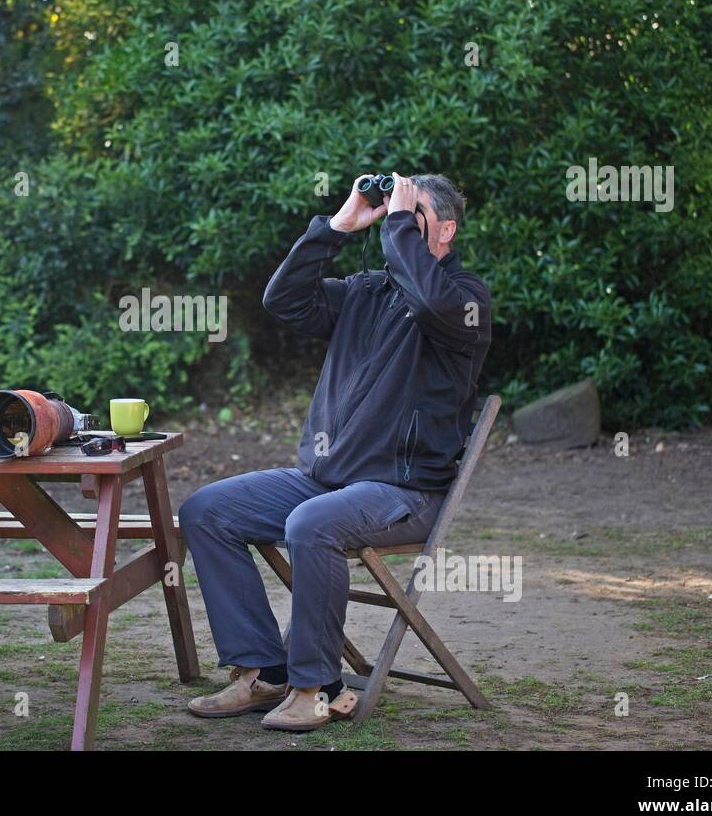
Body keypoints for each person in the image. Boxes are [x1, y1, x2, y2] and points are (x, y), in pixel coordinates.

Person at [179, 172, 492, 731]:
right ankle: (264, 671)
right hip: (326, 479)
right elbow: (285, 300)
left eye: (409, 212)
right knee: (208, 510)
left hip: (403, 491)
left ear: (444, 230)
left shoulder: (463, 300)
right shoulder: (366, 292)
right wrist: (339, 226)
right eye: (394, 211)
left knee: (311, 525)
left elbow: (427, 300)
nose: (395, 219)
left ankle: (317, 688)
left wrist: (397, 223)